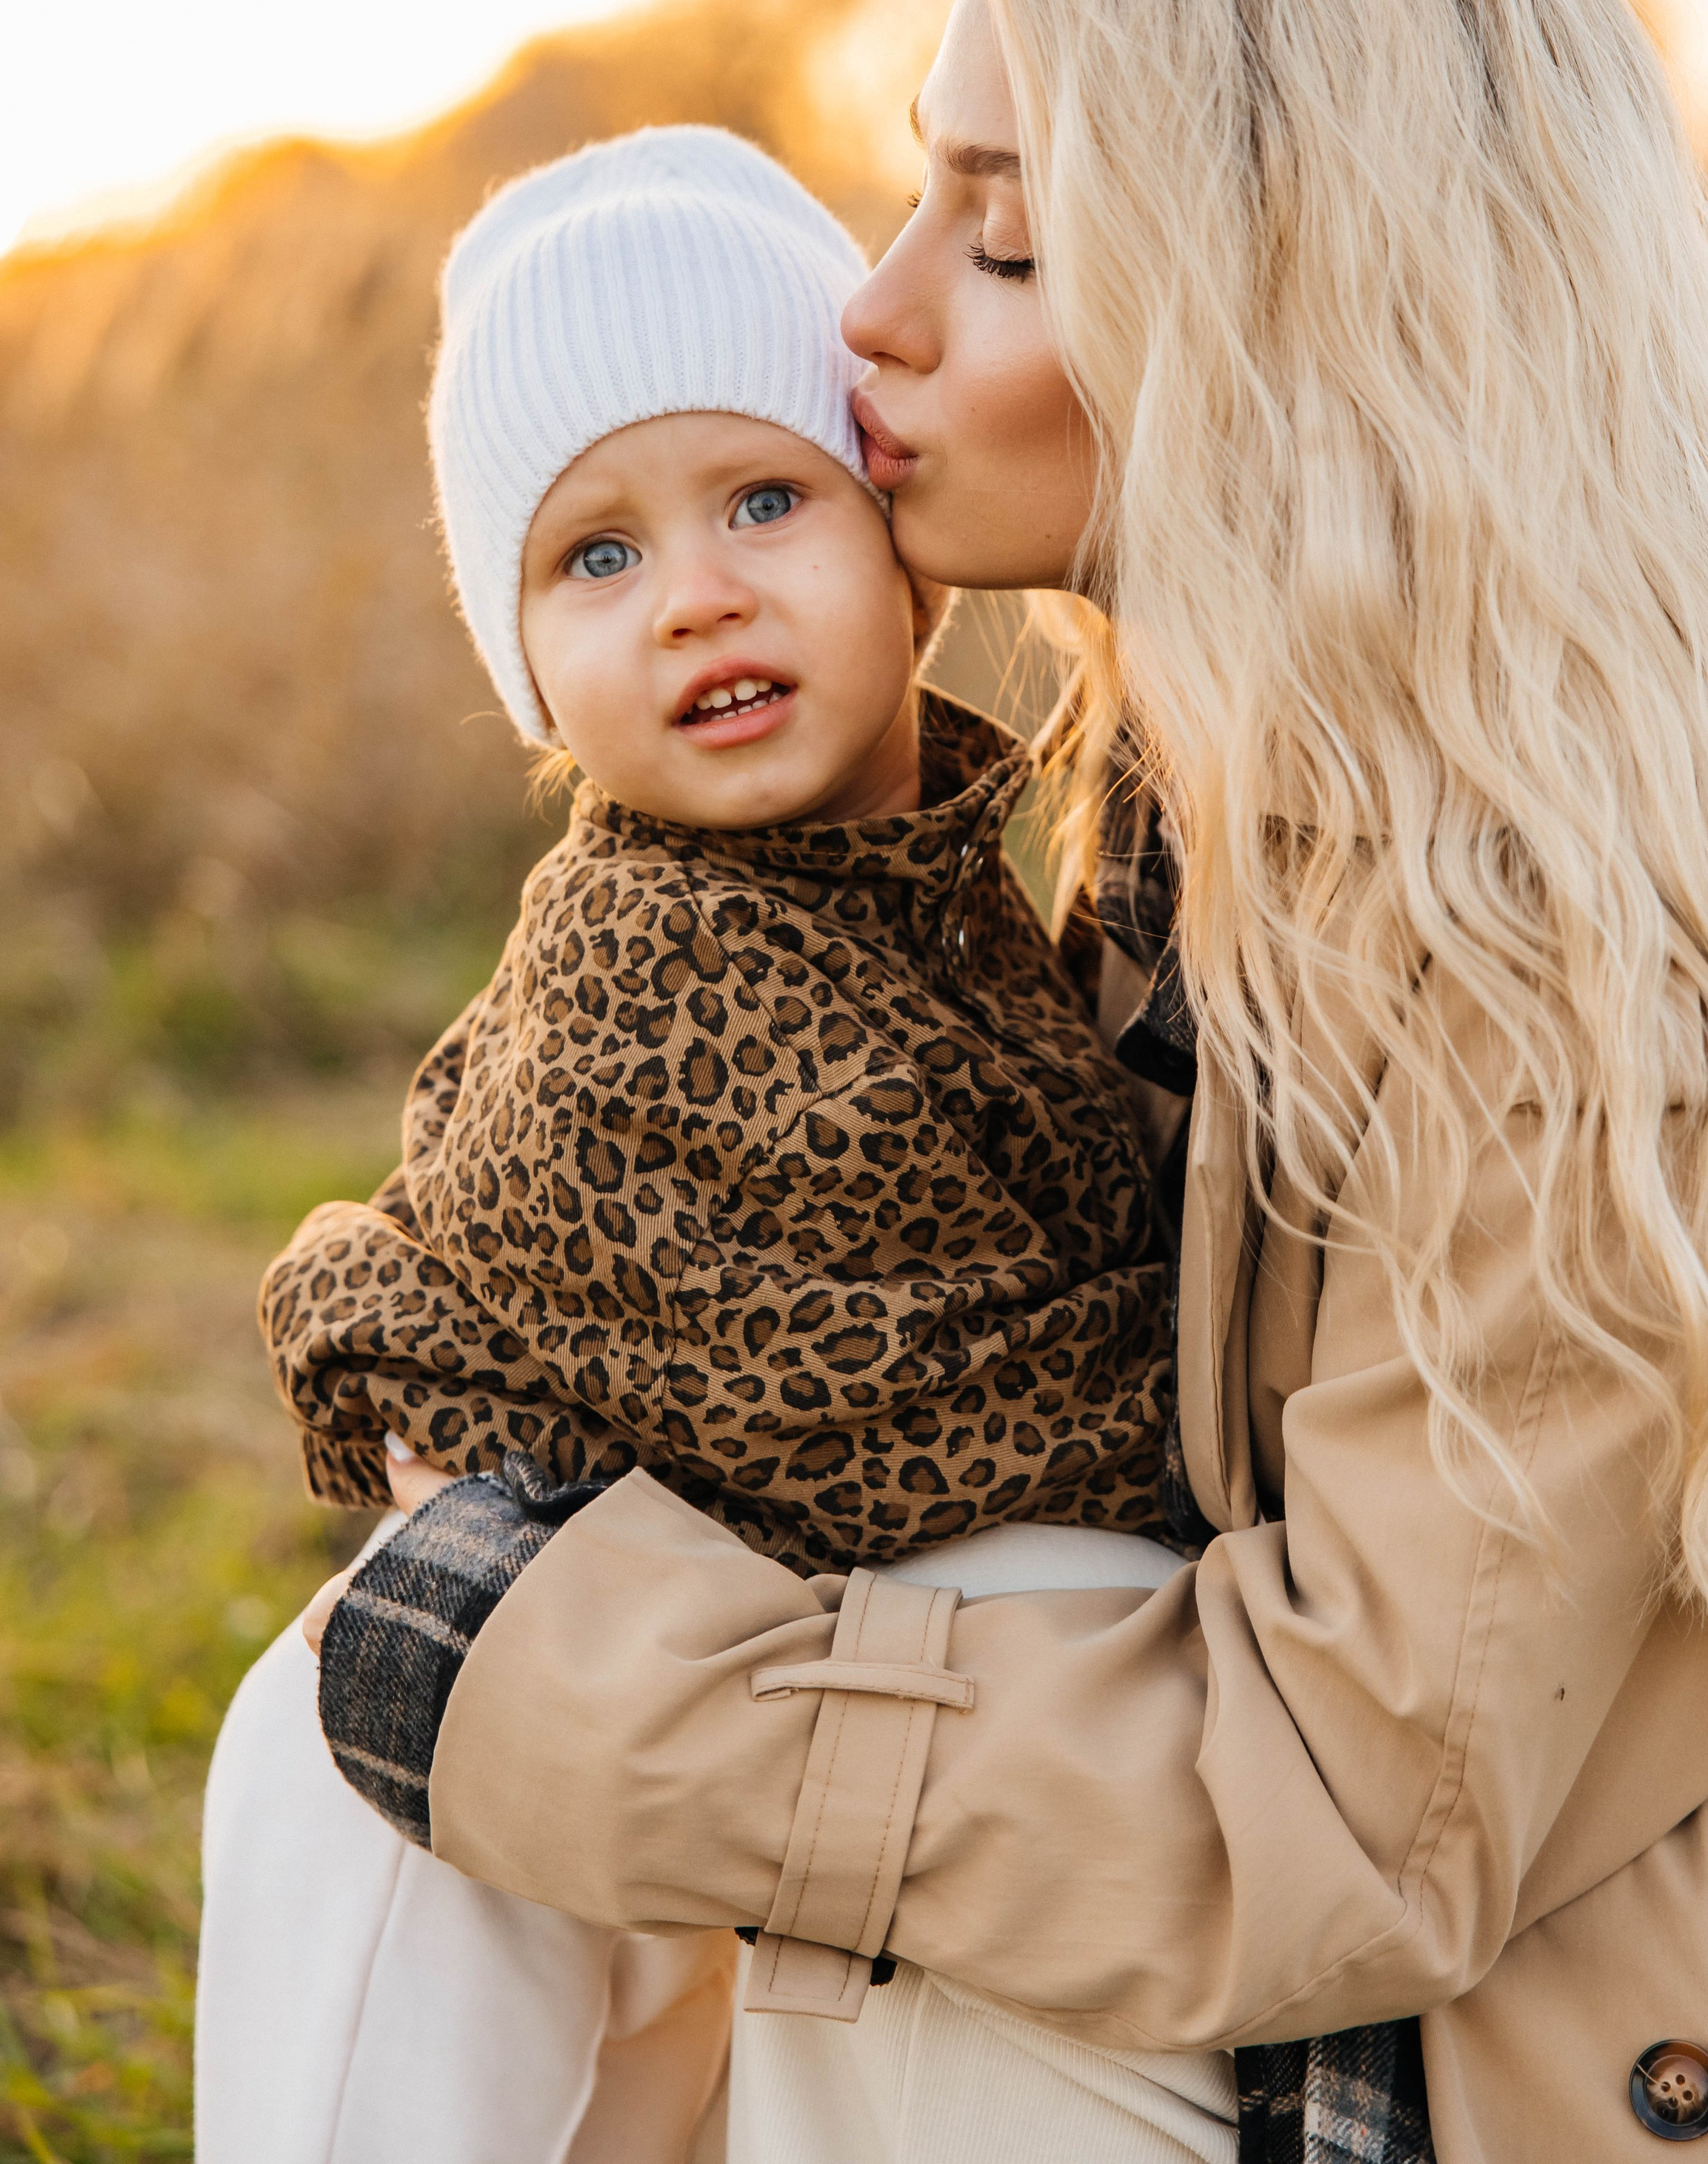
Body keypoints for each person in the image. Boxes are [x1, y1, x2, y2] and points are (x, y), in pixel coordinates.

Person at [305, 0, 1708, 2163]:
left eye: (1010, 238)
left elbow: (1358, 1809)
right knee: (401, 1726)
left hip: (1608, 2038)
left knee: (622, 1752)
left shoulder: (1582, 948)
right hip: (1391, 1916)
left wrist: (535, 1670)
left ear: (1293, 321)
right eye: (916, 190)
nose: (871, 312)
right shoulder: (1207, 805)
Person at [199, 121, 1186, 2164]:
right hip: (646, 1653)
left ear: (902, 538)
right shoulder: (650, 965)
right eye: (598, 557)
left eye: (764, 498)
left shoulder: (952, 896)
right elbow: (887, 1407)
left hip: (759, 1706)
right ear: (530, 677)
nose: (697, 597)